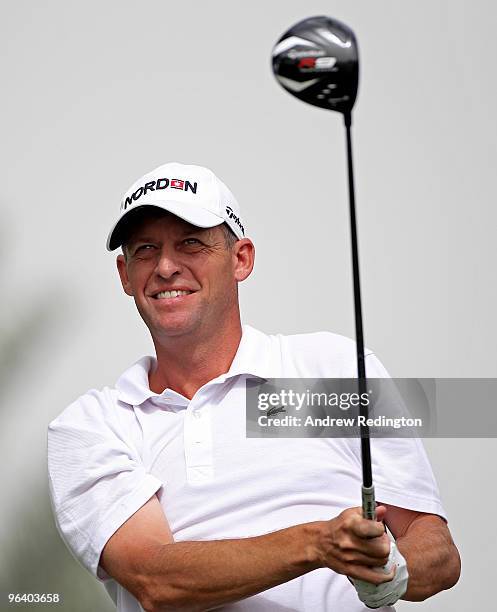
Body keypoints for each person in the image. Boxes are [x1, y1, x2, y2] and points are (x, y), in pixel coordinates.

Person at [47, 162, 460, 612]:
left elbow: (438, 550)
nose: (166, 267)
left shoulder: (332, 367)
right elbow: (157, 580)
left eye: (190, 243)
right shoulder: (94, 426)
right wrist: (319, 543)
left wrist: (394, 567)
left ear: (241, 258)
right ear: (125, 275)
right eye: (146, 250)